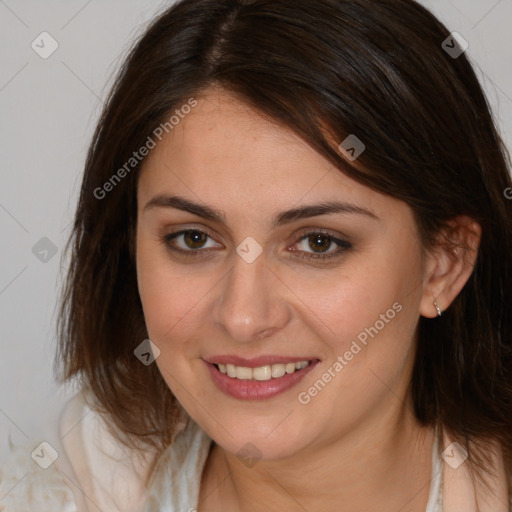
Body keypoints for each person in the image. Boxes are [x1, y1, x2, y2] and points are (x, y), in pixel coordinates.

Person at [1, 0, 512, 510]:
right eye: (193, 239)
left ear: (443, 265)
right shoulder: (62, 482)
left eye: (318, 243)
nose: (242, 317)